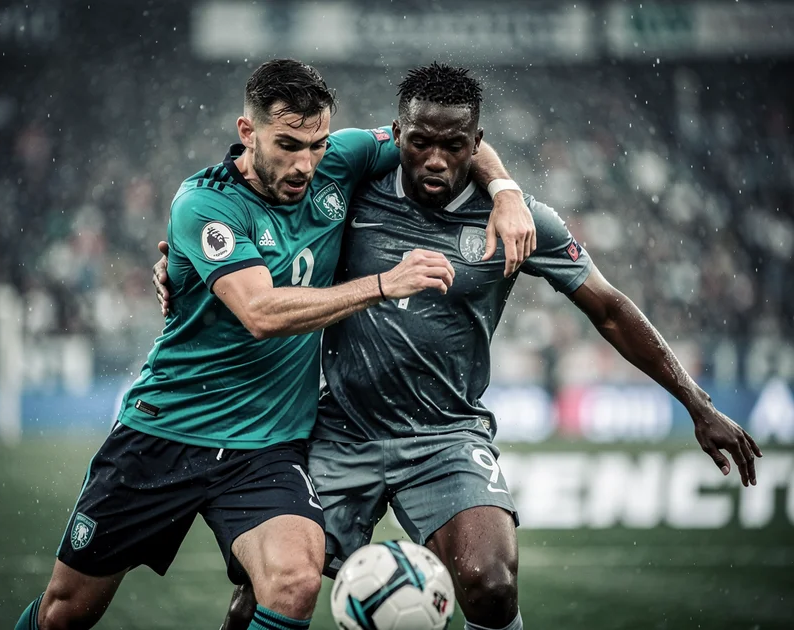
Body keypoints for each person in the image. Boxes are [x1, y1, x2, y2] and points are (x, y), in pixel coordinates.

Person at [156, 63, 763, 630]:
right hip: (340, 427)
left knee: (490, 583)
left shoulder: (519, 222)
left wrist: (697, 404)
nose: (436, 160)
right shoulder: (349, 188)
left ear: (477, 143)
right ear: (397, 136)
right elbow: (251, 211)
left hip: (446, 435)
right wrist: (177, 267)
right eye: (420, 142)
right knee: (266, 588)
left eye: (454, 145)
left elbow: (608, 308)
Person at [15, 59, 532, 630]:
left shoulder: (341, 159)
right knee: (66, 613)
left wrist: (505, 190)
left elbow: (439, 138)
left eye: (317, 144)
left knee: (294, 582)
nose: (305, 163)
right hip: (165, 435)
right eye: (288, 145)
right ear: (248, 132)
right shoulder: (206, 203)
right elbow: (259, 313)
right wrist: (384, 284)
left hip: (264, 448)